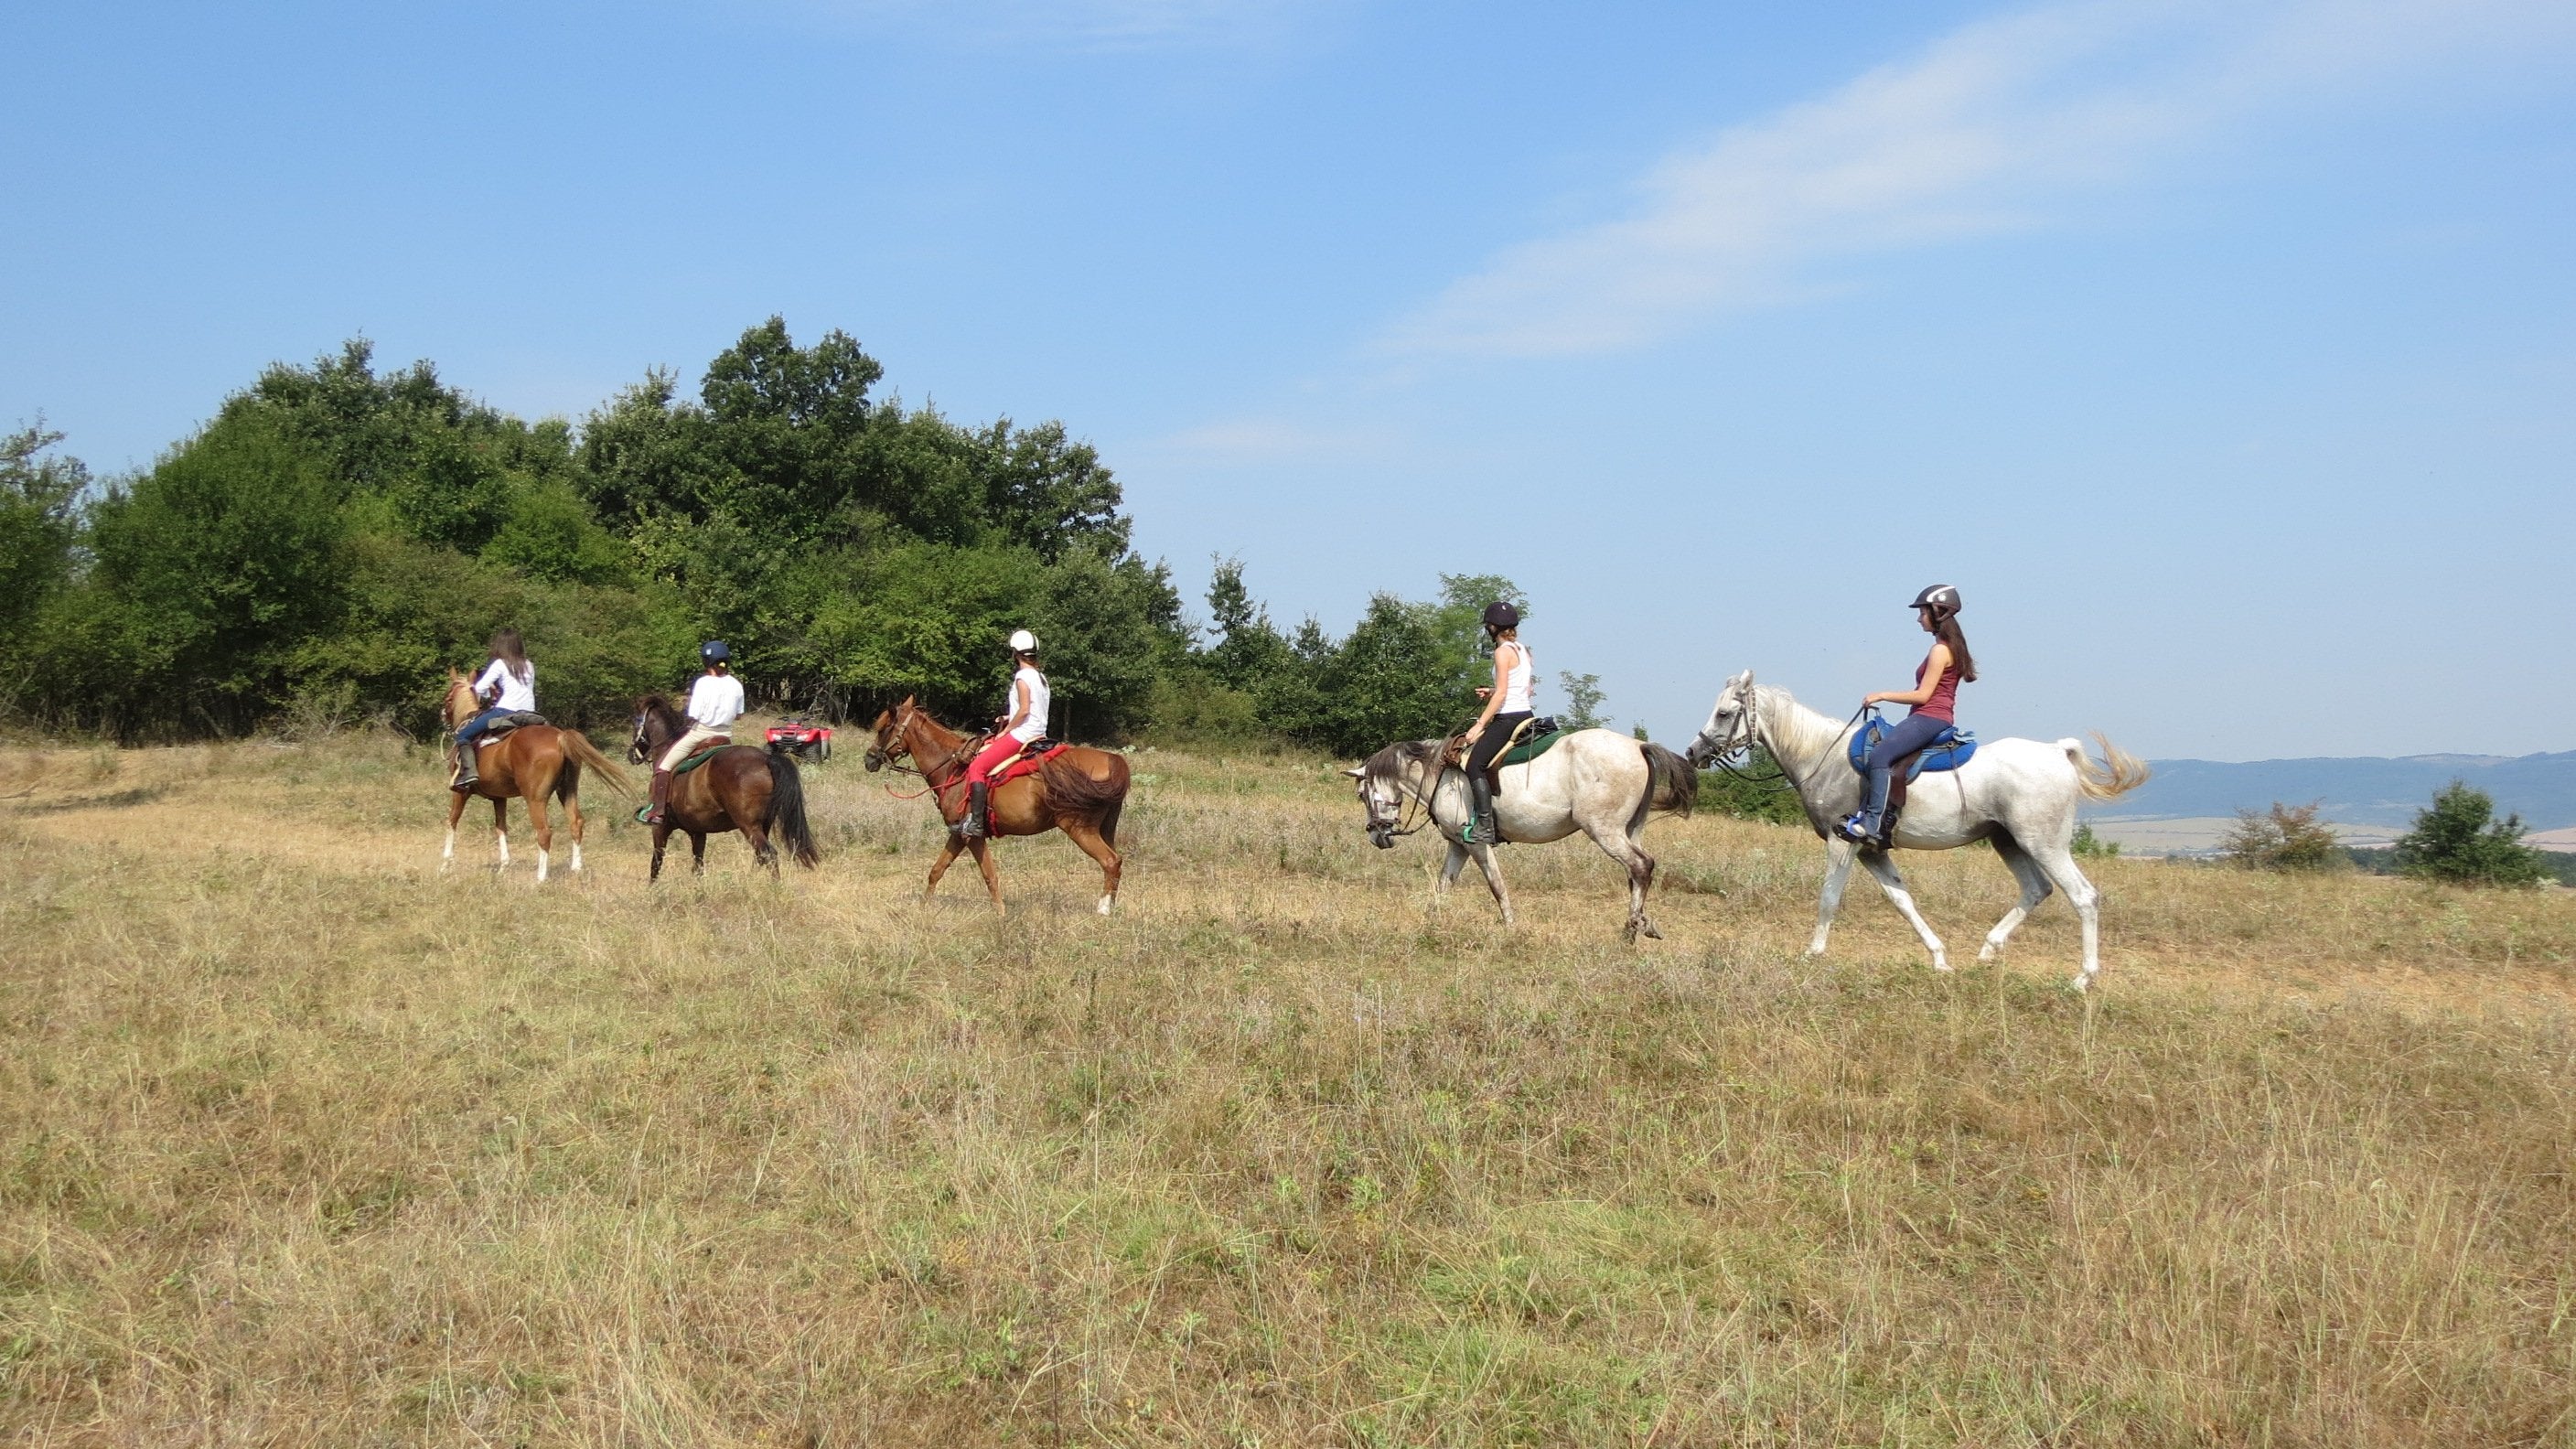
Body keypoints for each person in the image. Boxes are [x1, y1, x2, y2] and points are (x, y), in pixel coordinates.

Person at [1839, 585, 1977, 846]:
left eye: (1922, 612)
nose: (1918, 618)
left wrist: (1881, 694)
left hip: (1930, 716)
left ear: (1937, 612)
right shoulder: (1949, 648)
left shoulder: (1940, 651)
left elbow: (1923, 696)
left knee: (1880, 755)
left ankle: (1872, 823)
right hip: (1932, 717)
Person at [958, 629, 1050, 838]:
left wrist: (1006, 730)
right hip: (1039, 733)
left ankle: (976, 823)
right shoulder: (1040, 677)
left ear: (1015, 654)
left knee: (977, 767)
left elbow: (1025, 709)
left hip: (1023, 734)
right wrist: (1008, 717)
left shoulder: (1022, 677)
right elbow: (1034, 709)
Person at [644, 641, 745, 825]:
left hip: (701, 733)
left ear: (707, 661)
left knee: (663, 766)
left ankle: (657, 811)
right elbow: (739, 715)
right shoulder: (736, 684)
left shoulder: (703, 683)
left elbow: (694, 715)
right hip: (725, 736)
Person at [1459, 601, 1533, 845]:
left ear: (1491, 627)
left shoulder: (1501, 652)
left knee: (1474, 765)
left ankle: (1485, 825)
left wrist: (1479, 724)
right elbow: (1526, 689)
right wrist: (1490, 691)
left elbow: (1504, 694)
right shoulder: (1523, 650)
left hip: (1508, 718)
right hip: (1526, 714)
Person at [452, 627, 535, 793]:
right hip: (532, 714)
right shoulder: (529, 665)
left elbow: (479, 689)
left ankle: (469, 773)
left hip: (505, 711)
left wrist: (487, 690)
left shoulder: (500, 664)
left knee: (463, 735)